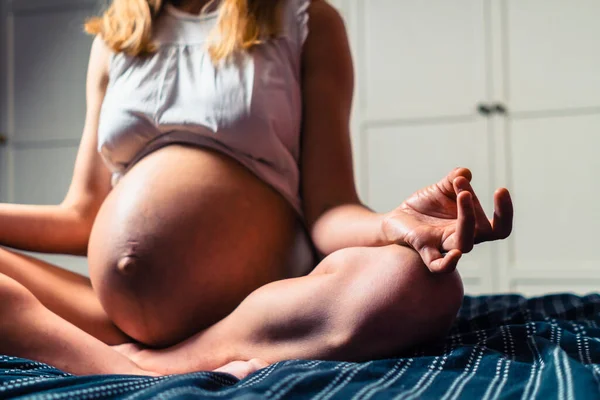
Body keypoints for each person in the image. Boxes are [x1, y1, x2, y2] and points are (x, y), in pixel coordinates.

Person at [0, 0, 513, 379]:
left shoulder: (306, 20)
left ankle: (156, 363)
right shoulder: (115, 39)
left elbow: (329, 209)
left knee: (419, 284)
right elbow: (83, 216)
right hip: (110, 313)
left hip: (250, 311)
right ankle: (143, 365)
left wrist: (392, 224)